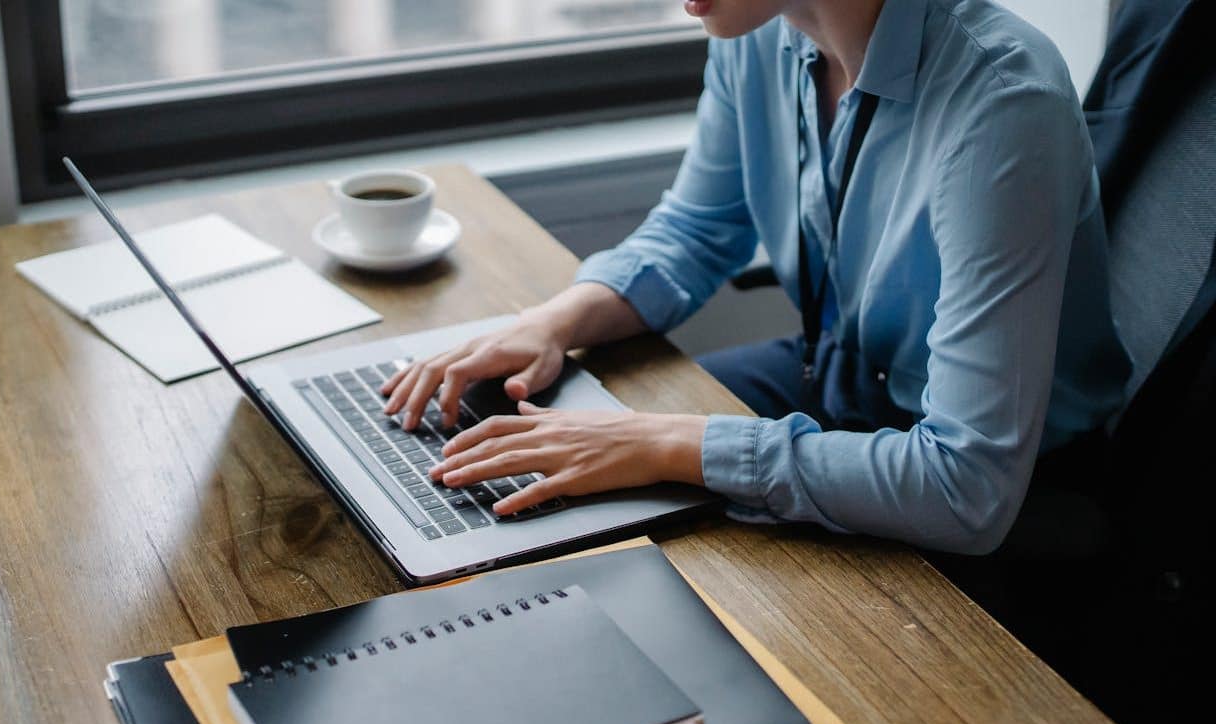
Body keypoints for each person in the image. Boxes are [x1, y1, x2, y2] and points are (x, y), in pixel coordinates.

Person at [381, 0, 1128, 555]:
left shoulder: (1002, 103)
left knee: (651, 539)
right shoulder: (766, 31)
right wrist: (553, 322)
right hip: (835, 381)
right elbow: (698, 229)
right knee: (532, 491)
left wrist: (670, 443)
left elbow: (967, 487)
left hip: (1001, 488)